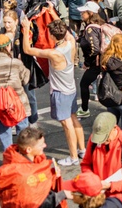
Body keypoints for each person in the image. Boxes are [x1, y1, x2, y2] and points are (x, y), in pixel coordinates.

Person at [21, 16, 85, 166]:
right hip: (70, 89)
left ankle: (74, 157)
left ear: (52, 35)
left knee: (66, 124)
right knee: (73, 118)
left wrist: (25, 30)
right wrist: (51, 12)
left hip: (60, 92)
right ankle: (82, 150)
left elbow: (27, 49)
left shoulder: (54, 53)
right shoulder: (71, 42)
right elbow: (67, 30)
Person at [0, 33, 32, 149]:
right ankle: (24, 156)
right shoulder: (16, 63)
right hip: (18, 102)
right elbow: (25, 80)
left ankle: (10, 158)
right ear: (8, 47)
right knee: (23, 131)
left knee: (4, 132)